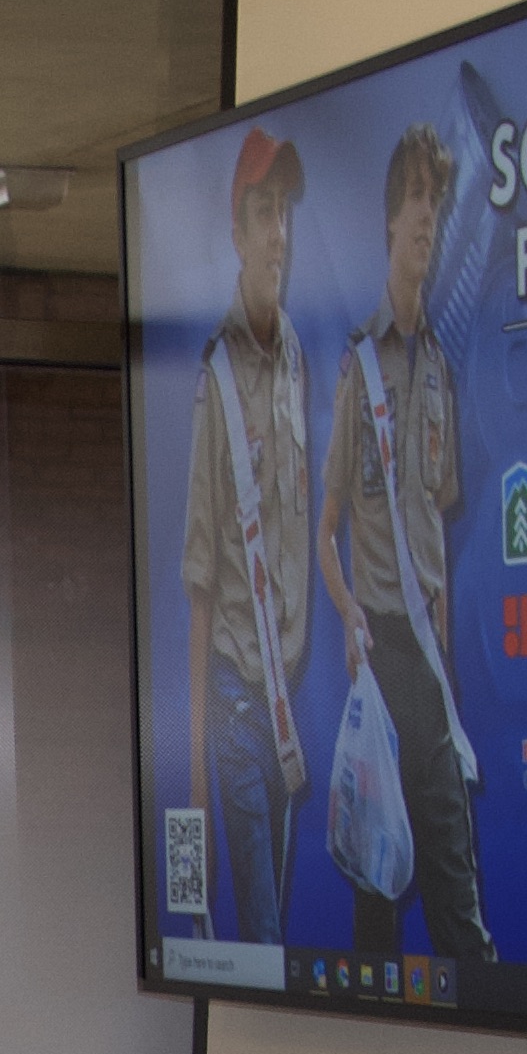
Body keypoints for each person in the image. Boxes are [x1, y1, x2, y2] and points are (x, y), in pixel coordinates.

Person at [318, 119, 490, 967]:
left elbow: (440, 523)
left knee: (460, 912)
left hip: (431, 666)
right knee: (377, 910)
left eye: (439, 203)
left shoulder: (443, 373)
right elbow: (326, 531)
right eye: (417, 199)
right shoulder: (358, 367)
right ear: (390, 219)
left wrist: (447, 659)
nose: (428, 218)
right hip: (379, 657)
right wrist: (350, 616)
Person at [182, 126, 313, 945]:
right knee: (265, 942)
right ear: (236, 234)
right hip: (235, 695)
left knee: (282, 949)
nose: (277, 233)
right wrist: (192, 766)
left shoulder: (298, 354)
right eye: (261, 214)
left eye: (284, 213)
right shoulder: (214, 379)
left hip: (286, 700)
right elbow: (200, 580)